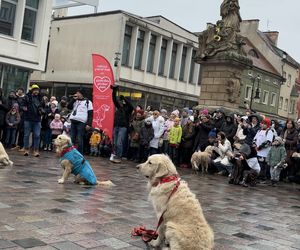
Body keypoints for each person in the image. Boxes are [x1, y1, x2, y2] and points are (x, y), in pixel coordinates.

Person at [110, 85, 133, 163]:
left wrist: (124, 98)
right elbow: (114, 100)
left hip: (123, 127)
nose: (122, 102)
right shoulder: (120, 107)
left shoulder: (128, 109)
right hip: (116, 126)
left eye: (124, 101)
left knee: (119, 143)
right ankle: (115, 155)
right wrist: (114, 90)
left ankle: (118, 157)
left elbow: (130, 105)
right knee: (115, 143)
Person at [67, 89, 93, 154]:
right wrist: (73, 99)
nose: (76, 94)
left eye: (78, 93)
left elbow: (90, 114)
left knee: (79, 138)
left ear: (81, 94)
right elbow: (69, 107)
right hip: (73, 121)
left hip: (81, 122)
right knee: (72, 138)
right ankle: (71, 152)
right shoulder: (75, 101)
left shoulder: (88, 102)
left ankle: (80, 153)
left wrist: (89, 124)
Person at [22, 85, 44, 157]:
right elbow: (22, 105)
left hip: (37, 119)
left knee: (37, 135)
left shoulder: (41, 98)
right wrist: (24, 108)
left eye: (37, 90)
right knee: (26, 135)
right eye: (35, 90)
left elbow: (44, 107)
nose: (36, 91)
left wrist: (42, 110)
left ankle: (36, 150)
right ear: (32, 90)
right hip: (28, 119)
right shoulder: (27, 97)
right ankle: (26, 149)